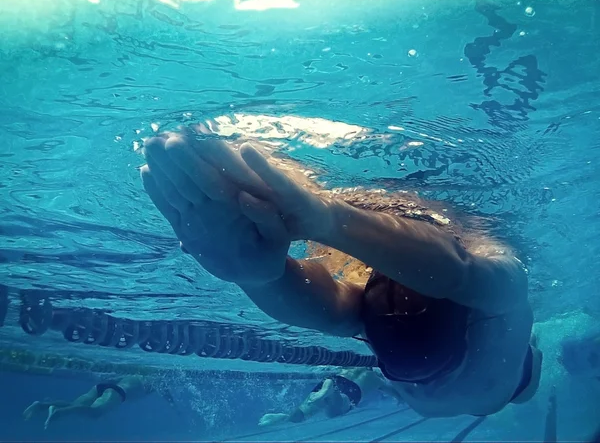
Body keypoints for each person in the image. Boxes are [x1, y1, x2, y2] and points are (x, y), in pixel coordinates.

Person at [140, 124, 542, 418]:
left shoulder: (485, 310)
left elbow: (337, 309)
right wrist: (318, 228)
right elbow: (459, 274)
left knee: (364, 319)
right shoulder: (496, 299)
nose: (385, 277)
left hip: (481, 382)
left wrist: (256, 275)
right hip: (480, 380)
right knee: (491, 293)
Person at [258, 367, 403, 426]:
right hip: (351, 391)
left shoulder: (348, 367)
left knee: (301, 415)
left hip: (334, 378)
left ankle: (283, 417)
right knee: (334, 412)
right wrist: (398, 398)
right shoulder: (376, 379)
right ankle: (332, 391)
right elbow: (396, 394)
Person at [23, 375, 153, 429]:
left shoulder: (134, 377)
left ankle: (41, 406)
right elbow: (164, 393)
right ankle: (59, 412)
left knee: (76, 405)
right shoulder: (152, 383)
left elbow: (110, 379)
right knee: (96, 413)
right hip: (118, 393)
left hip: (102, 387)